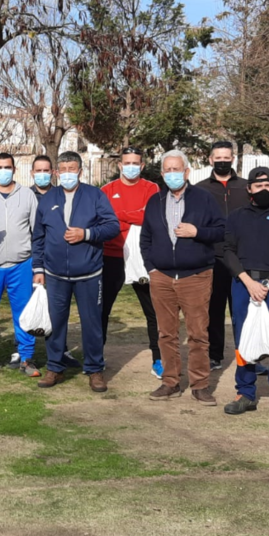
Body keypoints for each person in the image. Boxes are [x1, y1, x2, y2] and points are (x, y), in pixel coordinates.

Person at [139, 150, 225, 405]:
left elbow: (221, 230)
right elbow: (146, 238)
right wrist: (151, 268)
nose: (172, 174)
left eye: (176, 169)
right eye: (167, 170)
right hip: (162, 277)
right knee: (166, 333)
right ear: (162, 173)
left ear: (186, 172)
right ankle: (170, 382)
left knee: (198, 334)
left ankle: (200, 385)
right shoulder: (155, 201)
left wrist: (197, 231)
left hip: (196, 276)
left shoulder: (204, 199)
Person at [31, 151, 120, 391]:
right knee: (56, 323)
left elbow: (112, 226)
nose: (68, 173)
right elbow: (38, 237)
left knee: (91, 324)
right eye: (63, 169)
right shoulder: (48, 199)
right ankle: (54, 368)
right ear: (56, 173)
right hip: (55, 275)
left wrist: (86, 234)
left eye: (73, 169)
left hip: (89, 274)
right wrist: (38, 268)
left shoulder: (95, 196)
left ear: (80, 172)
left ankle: (94, 369)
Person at [222, 167, 269, 421]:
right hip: (243, 284)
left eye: (268, 185)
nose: (263, 189)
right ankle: (245, 394)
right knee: (244, 340)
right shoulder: (236, 217)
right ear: (249, 189)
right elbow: (228, 251)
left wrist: (267, 283)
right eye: (258, 186)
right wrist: (247, 281)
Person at [99, 146, 162, 378]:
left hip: (142, 257)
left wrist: (121, 214)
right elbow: (105, 221)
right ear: (119, 165)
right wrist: (133, 215)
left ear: (142, 166)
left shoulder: (152, 188)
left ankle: (159, 358)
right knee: (102, 310)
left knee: (154, 311)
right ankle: (96, 357)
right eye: (127, 163)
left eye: (136, 163)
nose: (131, 167)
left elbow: (151, 217)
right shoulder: (106, 190)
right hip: (112, 256)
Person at [0, 152, 39, 376]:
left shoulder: (27, 196)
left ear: (14, 169)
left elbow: (36, 231)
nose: (3, 171)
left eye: (7, 167)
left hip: (21, 264)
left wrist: (37, 264)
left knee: (23, 313)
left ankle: (27, 357)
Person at [194, 141, 249, 371]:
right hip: (213, 258)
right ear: (210, 160)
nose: (223, 161)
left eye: (226, 157)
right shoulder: (199, 189)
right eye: (218, 158)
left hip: (243, 259)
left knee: (244, 311)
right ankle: (214, 355)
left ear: (233, 158)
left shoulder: (247, 187)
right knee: (214, 310)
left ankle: (248, 355)